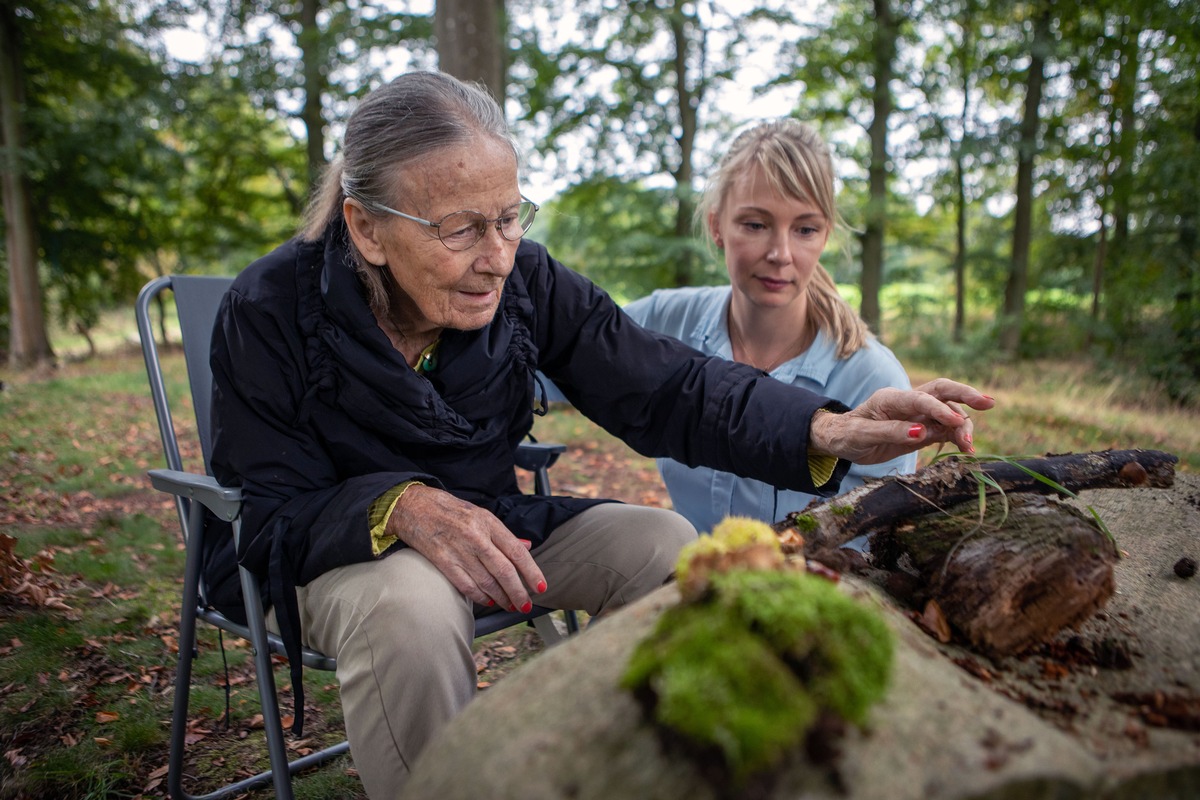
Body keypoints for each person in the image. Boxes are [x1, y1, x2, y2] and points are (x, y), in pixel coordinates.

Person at [205, 70, 994, 798]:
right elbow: (272, 510)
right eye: (459, 229)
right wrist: (399, 506)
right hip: (323, 559)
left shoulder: (527, 283)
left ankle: (621, 775)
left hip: (489, 522)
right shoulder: (270, 309)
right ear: (367, 228)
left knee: (660, 541)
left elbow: (669, 386)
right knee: (410, 604)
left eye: (510, 218)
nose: (496, 258)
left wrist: (828, 427)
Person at [626, 119, 917, 534]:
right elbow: (551, 354)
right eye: (756, 225)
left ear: (825, 235)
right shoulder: (666, 321)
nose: (781, 253)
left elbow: (873, 546)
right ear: (716, 226)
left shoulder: (871, 380)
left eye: (804, 229)